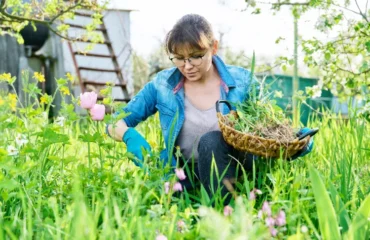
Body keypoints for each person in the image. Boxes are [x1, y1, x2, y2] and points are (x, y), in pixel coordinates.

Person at [106, 14, 313, 205]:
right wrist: (128, 135)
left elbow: (266, 129)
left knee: (212, 140)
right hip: (183, 173)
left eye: (196, 56)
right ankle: (197, 207)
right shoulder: (163, 85)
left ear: (213, 47)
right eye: (179, 58)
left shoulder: (243, 82)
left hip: (234, 170)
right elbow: (116, 121)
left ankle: (221, 213)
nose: (187, 66)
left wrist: (295, 141)